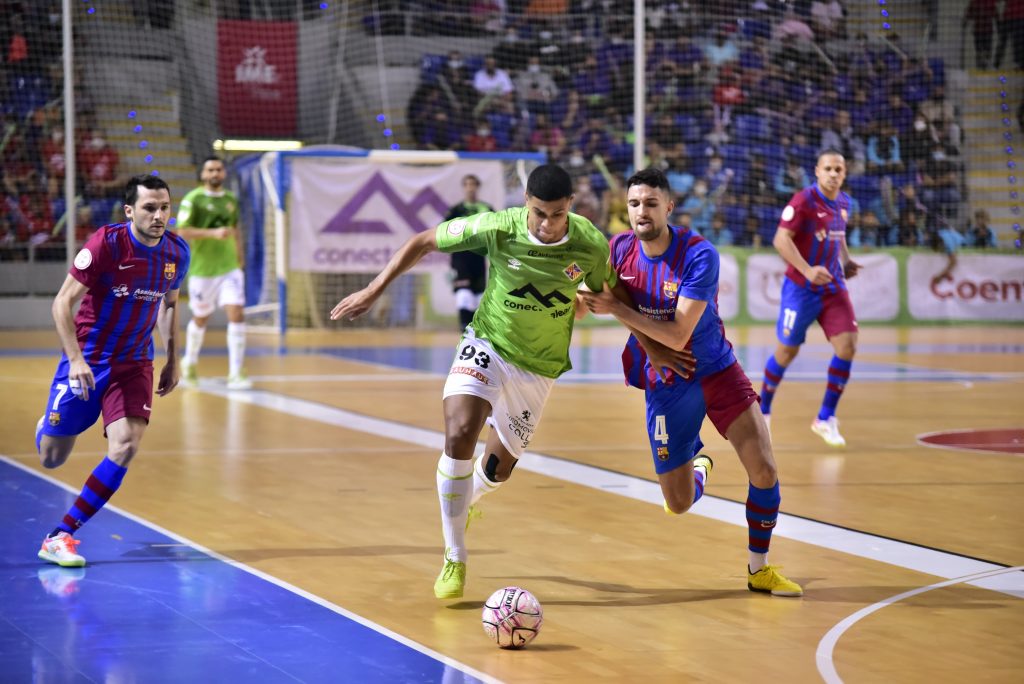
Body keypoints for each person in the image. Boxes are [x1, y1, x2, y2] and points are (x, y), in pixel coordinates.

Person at [330, 165, 616, 600]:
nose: (547, 224)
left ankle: (467, 501)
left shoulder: (590, 244)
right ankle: (455, 556)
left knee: (498, 471)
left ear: (570, 207)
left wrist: (585, 302)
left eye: (557, 214)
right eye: (539, 213)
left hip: (539, 367)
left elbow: (602, 294)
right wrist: (374, 289)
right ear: (526, 202)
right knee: (461, 431)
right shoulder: (498, 227)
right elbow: (423, 241)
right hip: (488, 342)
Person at [578, 167, 802, 597]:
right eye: (634, 203)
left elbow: (678, 333)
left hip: (716, 368)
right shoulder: (617, 251)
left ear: (669, 207)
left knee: (765, 468)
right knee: (678, 503)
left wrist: (616, 308)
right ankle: (699, 467)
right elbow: (589, 304)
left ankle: (759, 568)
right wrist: (576, 298)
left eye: (650, 203)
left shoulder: (699, 254)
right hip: (667, 382)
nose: (641, 211)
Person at [34, 175, 190, 567]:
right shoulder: (107, 243)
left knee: (126, 445)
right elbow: (62, 303)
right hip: (89, 358)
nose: (159, 216)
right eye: (150, 208)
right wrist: (75, 360)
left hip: (134, 361)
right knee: (52, 457)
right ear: (129, 211)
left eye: (164, 207)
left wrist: (173, 359)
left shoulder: (177, 252)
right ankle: (47, 426)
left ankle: (61, 535)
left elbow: (169, 304)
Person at [759, 150, 860, 447]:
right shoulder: (803, 201)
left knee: (847, 345)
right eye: (828, 168)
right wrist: (807, 270)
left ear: (844, 173)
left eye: (838, 169)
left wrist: (846, 260)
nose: (833, 174)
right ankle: (762, 410)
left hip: (833, 286)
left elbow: (838, 234)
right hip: (800, 288)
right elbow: (780, 239)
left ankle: (825, 418)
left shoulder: (845, 202)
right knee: (786, 352)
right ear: (817, 171)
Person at [175, 156, 251, 390]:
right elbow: (182, 231)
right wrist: (213, 234)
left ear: (224, 173)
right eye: (210, 170)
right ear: (203, 174)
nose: (215, 173)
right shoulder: (193, 199)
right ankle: (190, 361)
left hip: (229, 268)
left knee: (236, 313)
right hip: (203, 270)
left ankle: (236, 372)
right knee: (201, 317)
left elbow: (235, 229)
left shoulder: (230, 199)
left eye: (218, 169)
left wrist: (239, 256)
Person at [445, 174, 494, 331]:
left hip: (478, 259)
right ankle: (464, 331)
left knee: (478, 298)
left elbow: (496, 232)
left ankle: (476, 333)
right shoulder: (456, 210)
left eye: (473, 184)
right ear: (464, 187)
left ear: (477, 187)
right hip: (460, 259)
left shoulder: (486, 209)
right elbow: (444, 232)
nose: (470, 188)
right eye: (467, 184)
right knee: (463, 295)